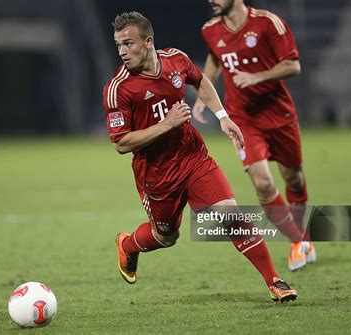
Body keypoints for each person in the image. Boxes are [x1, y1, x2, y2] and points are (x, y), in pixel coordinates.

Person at [103, 11, 297, 302]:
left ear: (148, 42)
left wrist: (222, 116)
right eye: (118, 45)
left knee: (230, 215)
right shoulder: (118, 89)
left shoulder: (175, 60)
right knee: (166, 237)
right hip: (157, 174)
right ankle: (128, 245)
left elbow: (200, 80)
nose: (122, 51)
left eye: (128, 43)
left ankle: (275, 281)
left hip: (193, 156)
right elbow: (121, 143)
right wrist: (165, 125)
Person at [193, 0, 316, 271]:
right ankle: (297, 240)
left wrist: (257, 77)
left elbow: (293, 65)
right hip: (243, 119)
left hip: (278, 114)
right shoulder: (210, 29)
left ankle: (300, 234)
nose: (210, 0)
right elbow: (215, 57)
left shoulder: (267, 23)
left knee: (293, 178)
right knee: (262, 183)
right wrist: (205, 94)